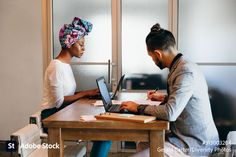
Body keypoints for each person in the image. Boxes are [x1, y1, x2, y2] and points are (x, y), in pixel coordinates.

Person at [120, 23, 219, 157]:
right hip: (186, 136)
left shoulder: (184, 71)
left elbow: (171, 113)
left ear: (158, 54)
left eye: (151, 57)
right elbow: (187, 100)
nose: (153, 61)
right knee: (143, 143)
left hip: (195, 144)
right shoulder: (181, 65)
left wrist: (138, 107)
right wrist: (164, 98)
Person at [40, 17, 111, 157]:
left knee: (105, 134)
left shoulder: (65, 65)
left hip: (63, 113)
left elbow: (68, 94)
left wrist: (88, 93)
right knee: (104, 135)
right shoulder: (56, 66)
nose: (84, 48)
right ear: (69, 43)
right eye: (80, 44)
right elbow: (59, 101)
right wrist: (85, 93)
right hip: (52, 117)